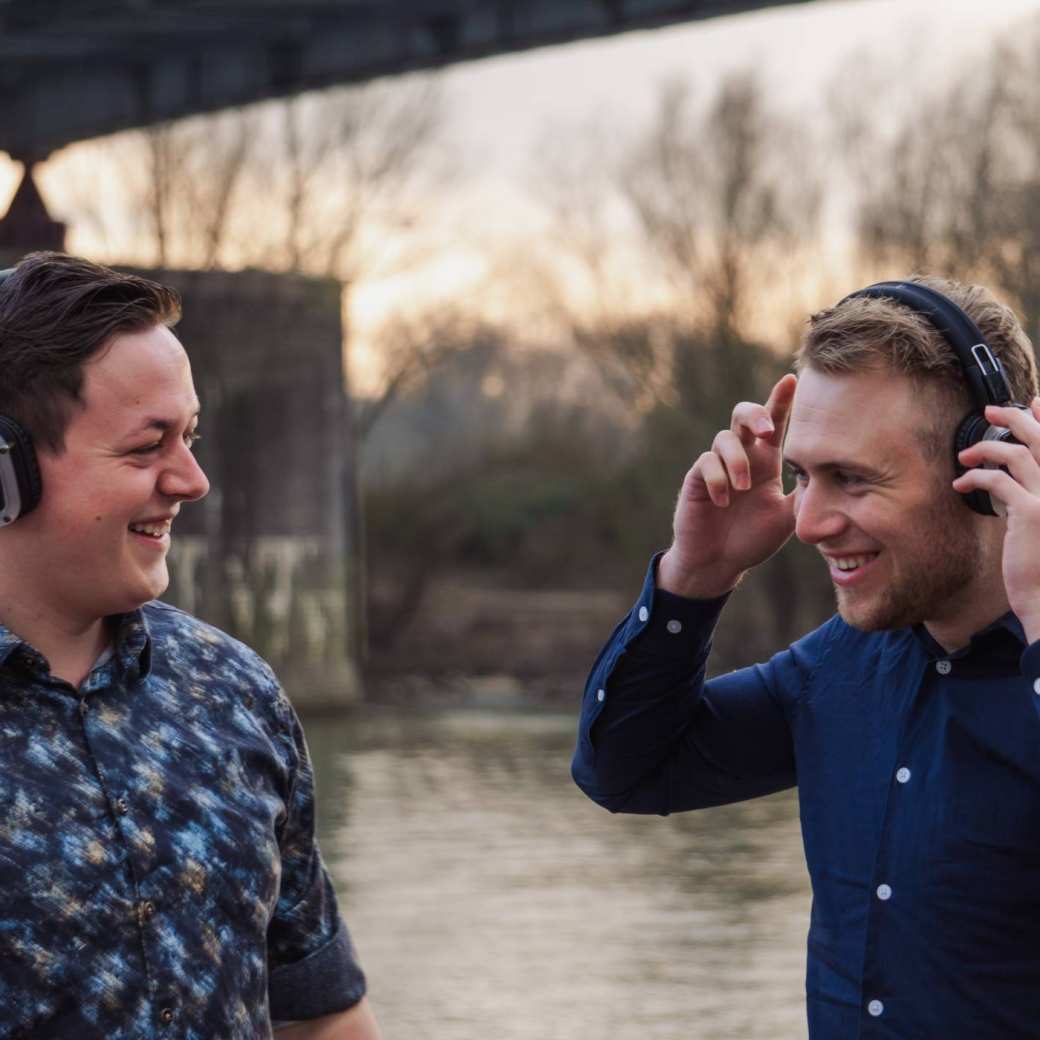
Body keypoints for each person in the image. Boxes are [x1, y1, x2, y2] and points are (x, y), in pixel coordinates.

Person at [572, 275, 1040, 1039]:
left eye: (851, 479)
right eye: (803, 475)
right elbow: (624, 770)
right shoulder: (839, 666)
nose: (812, 521)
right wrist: (693, 581)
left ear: (986, 467)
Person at [0, 252, 380, 1039]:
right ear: (6, 470)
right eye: (148, 447)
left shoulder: (233, 691)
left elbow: (322, 1015)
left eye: (192, 437)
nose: (193, 480)